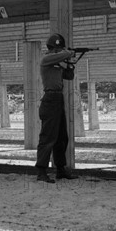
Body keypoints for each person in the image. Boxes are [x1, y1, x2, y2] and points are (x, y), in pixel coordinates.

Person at [35, 34, 78, 183]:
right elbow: (64, 54)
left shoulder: (57, 62)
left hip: (58, 99)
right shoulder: (47, 59)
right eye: (57, 49)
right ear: (52, 48)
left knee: (61, 137)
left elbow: (69, 76)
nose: (59, 51)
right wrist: (69, 53)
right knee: (48, 137)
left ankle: (60, 169)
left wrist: (70, 64)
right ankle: (41, 170)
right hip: (50, 99)